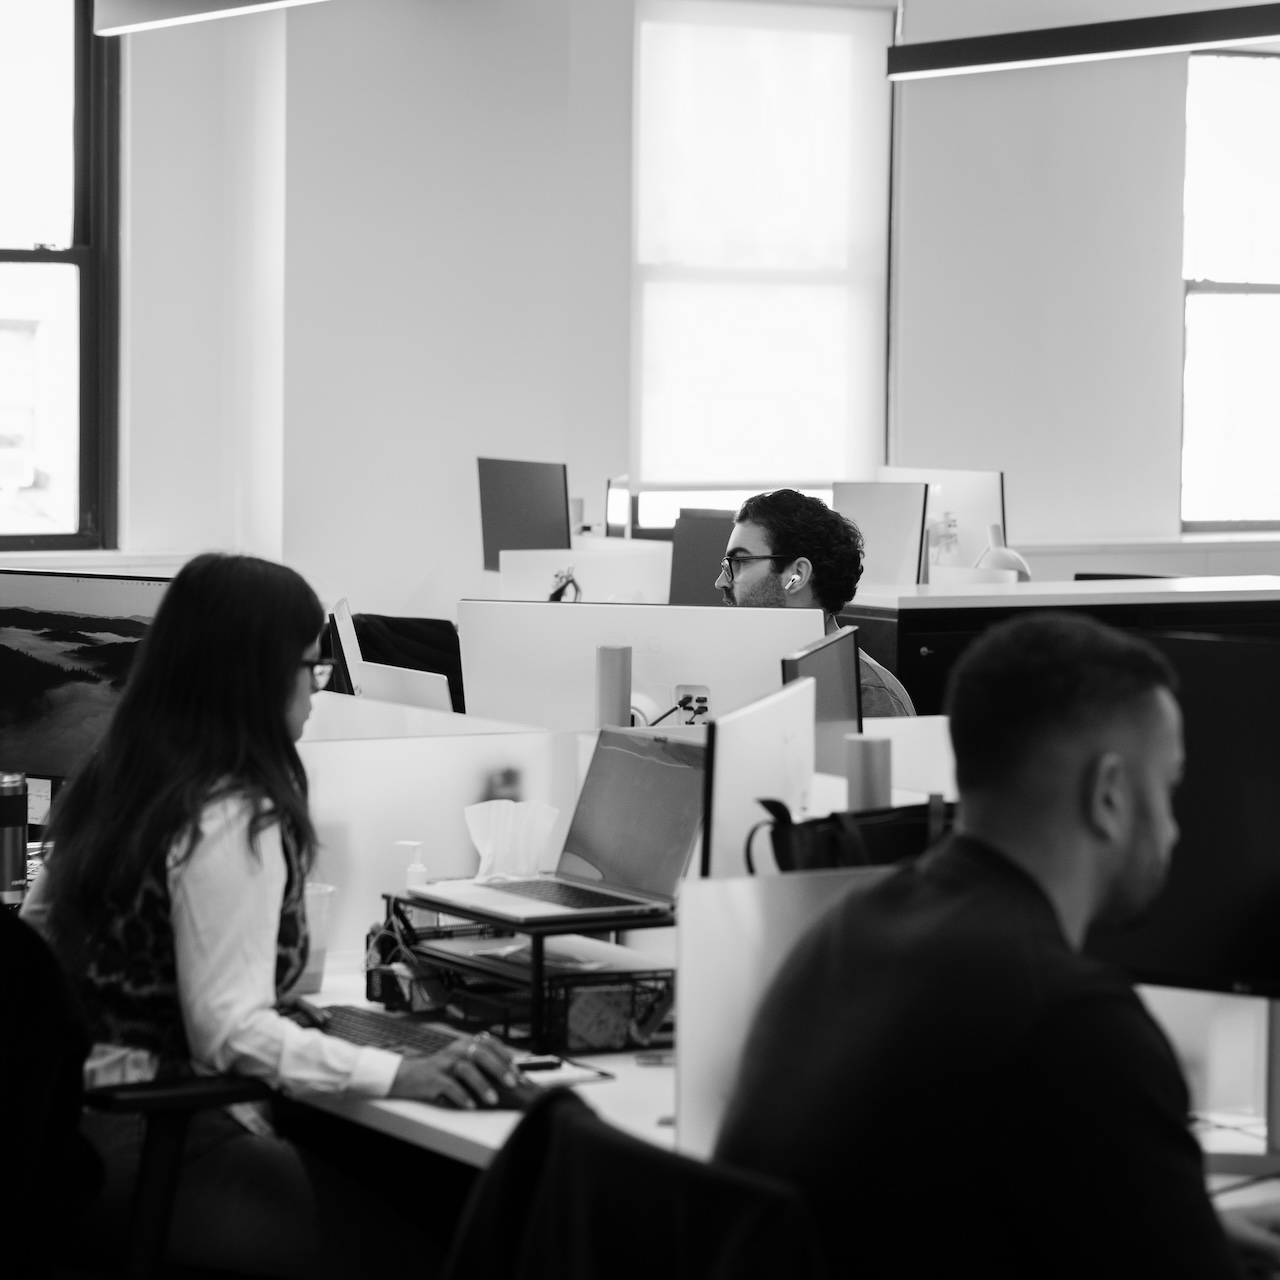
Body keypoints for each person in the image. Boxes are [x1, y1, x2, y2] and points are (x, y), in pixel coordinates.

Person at [714, 613, 1280, 1279]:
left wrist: (1177, 1221)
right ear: (1109, 795)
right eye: (1170, 786)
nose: (1176, 828)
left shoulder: (846, 931)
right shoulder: (1072, 1021)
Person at [24, 552, 519, 1277]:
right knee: (455, 1243)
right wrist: (395, 1073)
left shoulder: (118, 775)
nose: (316, 695)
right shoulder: (229, 810)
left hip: (59, 1139)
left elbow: (33, 960)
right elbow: (228, 1031)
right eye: (309, 670)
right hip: (154, 1150)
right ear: (254, 676)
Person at [714, 488, 914, 716]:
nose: (721, 582)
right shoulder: (754, 674)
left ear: (796, 575)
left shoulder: (866, 693)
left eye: (739, 562)